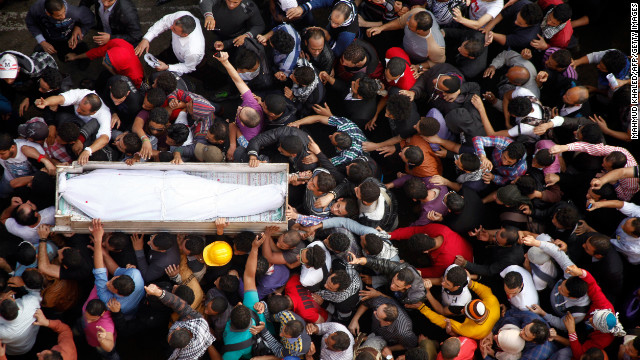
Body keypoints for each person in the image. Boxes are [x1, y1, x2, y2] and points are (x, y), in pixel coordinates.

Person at [35, 88, 113, 165]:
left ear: (93, 112)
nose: (78, 110)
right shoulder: (81, 94)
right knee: (62, 116)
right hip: (74, 123)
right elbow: (60, 99)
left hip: (91, 136)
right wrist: (46, 102)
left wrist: (88, 151)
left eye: (83, 110)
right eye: (78, 106)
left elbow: (105, 138)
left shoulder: (104, 115)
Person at [143, 283, 217, 360]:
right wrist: (158, 292)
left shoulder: (188, 356)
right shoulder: (196, 319)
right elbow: (178, 303)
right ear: (179, 328)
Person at [134, 11, 205, 76]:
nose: (170, 27)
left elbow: (188, 67)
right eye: (173, 23)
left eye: (174, 29)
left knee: (201, 73)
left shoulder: (193, 51)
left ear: (185, 34)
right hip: (174, 49)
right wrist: (146, 39)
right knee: (165, 56)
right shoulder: (181, 15)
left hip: (191, 61)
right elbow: (164, 22)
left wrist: (168, 67)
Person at [25, 0, 95, 62]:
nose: (63, 16)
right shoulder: (36, 9)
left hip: (68, 37)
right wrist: (42, 42)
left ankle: (81, 53)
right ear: (48, 13)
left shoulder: (75, 12)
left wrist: (78, 27)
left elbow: (90, 20)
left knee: (66, 54)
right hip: (48, 36)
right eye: (59, 16)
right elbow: (31, 23)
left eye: (64, 12)